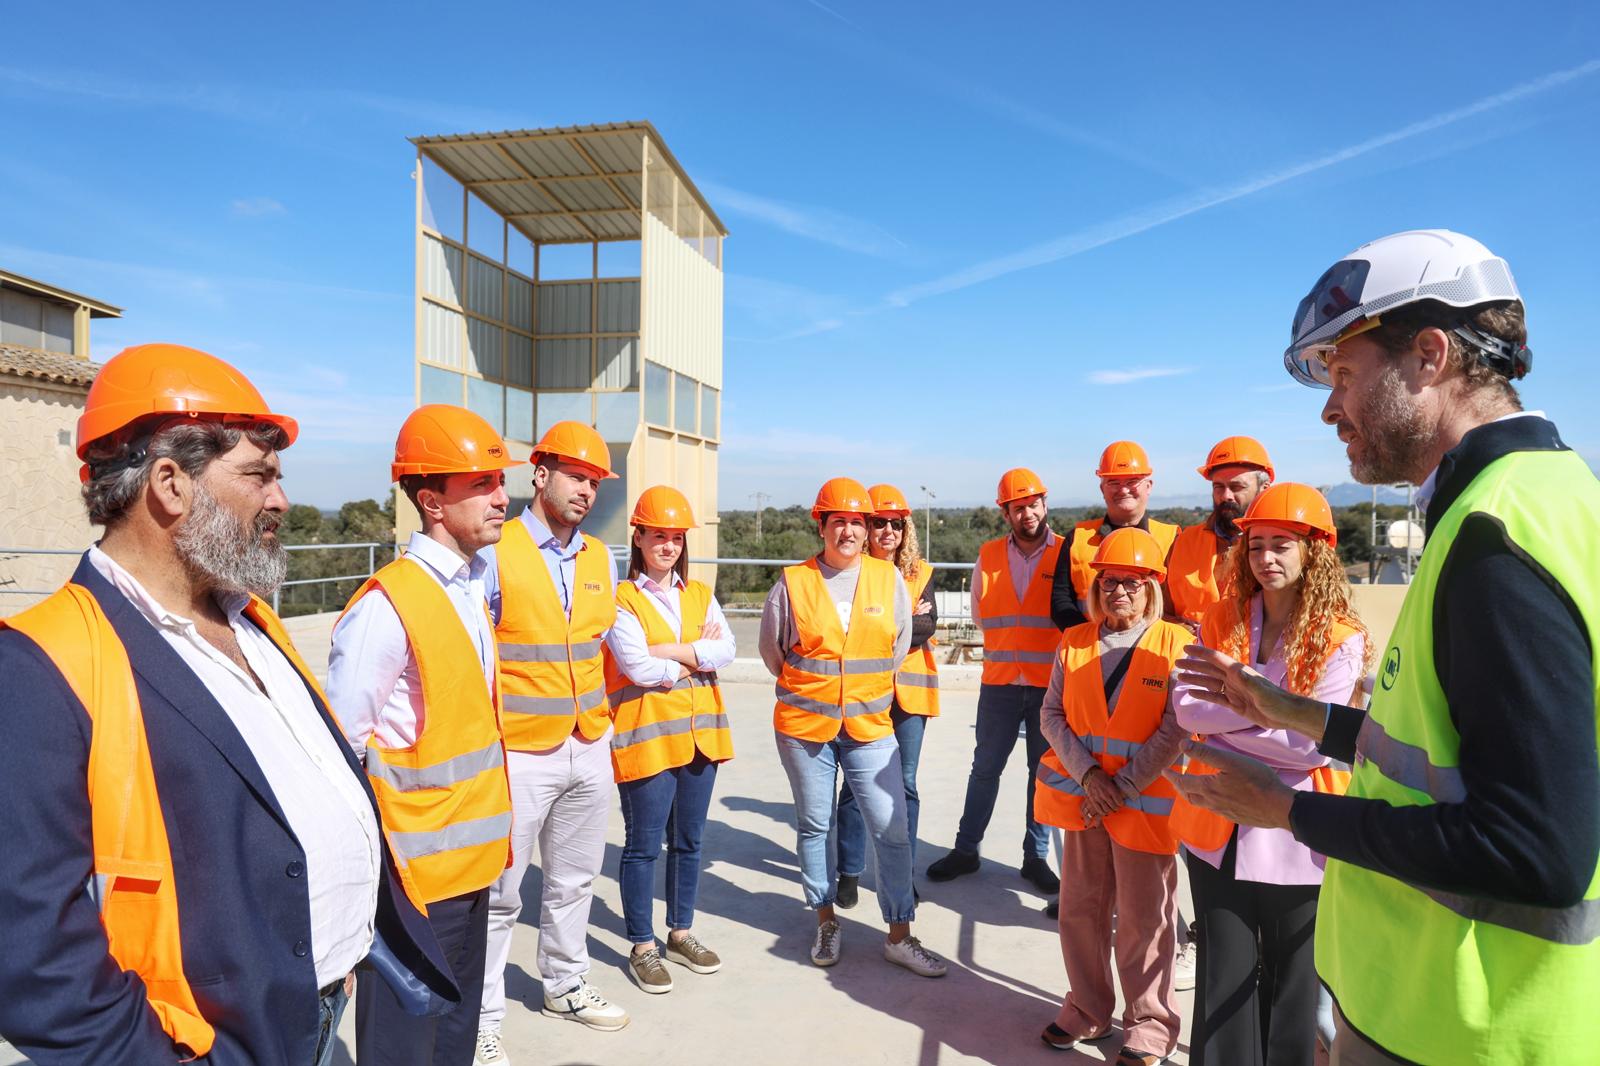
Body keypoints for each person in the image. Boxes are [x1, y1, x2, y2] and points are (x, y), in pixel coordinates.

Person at [1171, 229, 1599, 1065]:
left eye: (1343, 376)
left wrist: (1287, 809)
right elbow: (1450, 753)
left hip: (1464, 1028)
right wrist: (1287, 709)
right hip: (1447, 1014)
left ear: (1430, 355)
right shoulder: (1543, 498)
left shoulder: (1491, 539)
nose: (1330, 410)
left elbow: (1534, 852)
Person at [0, 344, 456, 1066]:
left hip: (318, 1015)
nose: (280, 500)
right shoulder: (39, 666)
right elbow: (33, 959)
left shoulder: (251, 620)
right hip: (213, 1047)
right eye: (259, 475)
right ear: (170, 483)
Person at [328, 405, 520, 1065]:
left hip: (472, 867)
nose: (503, 497)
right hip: (410, 883)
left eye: (500, 482)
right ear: (432, 501)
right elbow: (337, 755)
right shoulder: (385, 608)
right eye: (483, 486)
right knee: (402, 1047)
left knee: (453, 1041)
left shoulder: (473, 586)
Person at [1168, 483, 1372, 1066]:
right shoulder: (1219, 616)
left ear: (1314, 551)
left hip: (1299, 837)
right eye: (1256, 545)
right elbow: (1186, 709)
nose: (1266, 558)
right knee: (1222, 984)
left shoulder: (1341, 635)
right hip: (1217, 832)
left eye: (1281, 544)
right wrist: (1272, 707)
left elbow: (1312, 750)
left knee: (1294, 991)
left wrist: (1233, 703)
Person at [476, 421, 627, 1062]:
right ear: (539, 474)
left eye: (595, 483)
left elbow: (605, 647)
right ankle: (481, 1019)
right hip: (517, 749)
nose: (586, 492)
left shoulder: (600, 557)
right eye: (575, 477)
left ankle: (565, 982)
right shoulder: (494, 549)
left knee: (573, 879)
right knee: (501, 894)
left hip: (588, 741)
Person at [759, 477, 948, 977]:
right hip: (805, 726)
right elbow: (773, 654)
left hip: (869, 723)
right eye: (838, 520)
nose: (848, 530)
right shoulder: (792, 583)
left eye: (857, 522)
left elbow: (898, 644)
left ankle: (900, 935)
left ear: (868, 530)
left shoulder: (888, 581)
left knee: (892, 828)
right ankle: (825, 919)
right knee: (815, 825)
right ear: (820, 525)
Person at [1034, 528, 1188, 1066]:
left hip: (1142, 808)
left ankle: (1149, 1025)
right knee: (1080, 910)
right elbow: (1051, 715)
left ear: (1152, 588)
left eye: (1132, 581)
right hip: (1084, 802)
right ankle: (1088, 1008)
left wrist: (1120, 786)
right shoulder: (1073, 641)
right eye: (1110, 580)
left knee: (1147, 922)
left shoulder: (1177, 644)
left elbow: (1177, 729)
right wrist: (1090, 779)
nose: (1119, 590)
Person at [603, 485, 736, 995]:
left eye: (676, 537)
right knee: (642, 846)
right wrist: (693, 658)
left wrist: (673, 651)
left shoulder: (701, 594)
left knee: (689, 842)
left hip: (701, 740)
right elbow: (636, 666)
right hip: (648, 739)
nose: (668, 546)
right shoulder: (621, 599)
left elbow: (724, 650)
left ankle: (680, 932)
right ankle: (642, 946)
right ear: (637, 538)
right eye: (658, 535)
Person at [925, 467, 1062, 896]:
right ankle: (967, 850)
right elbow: (982, 616)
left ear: (1045, 504)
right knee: (985, 769)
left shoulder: (1066, 554)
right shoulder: (989, 555)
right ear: (1006, 513)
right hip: (1000, 683)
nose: (1027, 514)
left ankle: (1034, 858)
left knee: (1041, 774)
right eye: (1018, 507)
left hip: (1049, 687)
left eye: (1033, 504)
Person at [835, 483, 940, 909]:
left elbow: (927, 628)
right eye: (878, 523)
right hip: (864, 692)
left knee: (907, 785)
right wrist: (901, 625)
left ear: (905, 528)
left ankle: (902, 873)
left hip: (911, 696)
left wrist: (880, 630)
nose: (887, 532)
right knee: (855, 787)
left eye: (896, 524)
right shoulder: (851, 575)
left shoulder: (921, 573)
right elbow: (847, 632)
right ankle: (850, 871)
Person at [1052, 441, 1180, 630]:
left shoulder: (1172, 539)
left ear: (1149, 486)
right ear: (1102, 489)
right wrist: (1089, 640)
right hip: (1089, 654)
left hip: (1152, 654)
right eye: (1113, 482)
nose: (1123, 489)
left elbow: (1181, 603)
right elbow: (1060, 601)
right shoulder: (1077, 538)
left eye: (1132, 481)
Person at [1165, 436, 1274, 626]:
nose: (1226, 496)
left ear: (1264, 489)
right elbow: (1159, 612)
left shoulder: (1279, 548)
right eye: (1218, 487)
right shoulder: (1183, 542)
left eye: (1236, 487)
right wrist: (1180, 629)